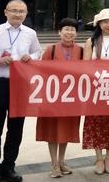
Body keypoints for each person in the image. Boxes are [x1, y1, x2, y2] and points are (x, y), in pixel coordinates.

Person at [0, 0, 41, 182]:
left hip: (20, 84)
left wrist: (30, 57)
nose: (17, 14)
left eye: (21, 11)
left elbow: (38, 52)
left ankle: (9, 166)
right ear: (6, 12)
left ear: (26, 14)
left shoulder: (30, 33)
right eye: (14, 10)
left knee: (16, 128)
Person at [35, 18, 83, 178]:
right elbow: (41, 72)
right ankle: (54, 164)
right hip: (53, 97)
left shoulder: (81, 51)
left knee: (66, 129)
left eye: (72, 29)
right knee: (52, 130)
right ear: (59, 32)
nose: (69, 32)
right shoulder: (51, 49)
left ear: (76, 33)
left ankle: (62, 161)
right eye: (66, 29)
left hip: (72, 98)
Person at [82, 8, 109, 175]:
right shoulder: (91, 41)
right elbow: (85, 65)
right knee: (96, 122)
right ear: (99, 24)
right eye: (105, 22)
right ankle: (99, 157)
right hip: (96, 88)